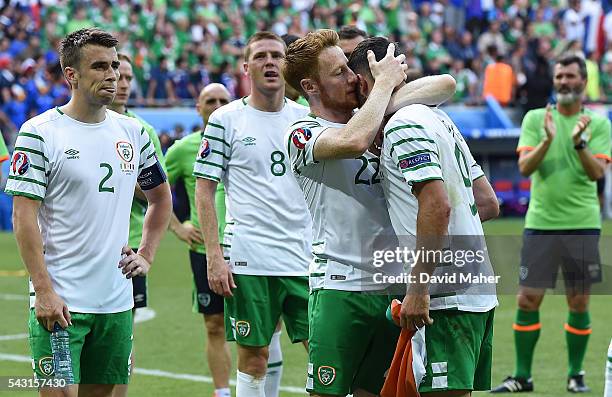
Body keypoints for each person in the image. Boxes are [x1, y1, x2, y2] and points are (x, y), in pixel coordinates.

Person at [282, 29, 456, 397]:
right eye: (339, 73)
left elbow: (445, 84)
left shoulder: (373, 115)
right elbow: (353, 142)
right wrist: (383, 89)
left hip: (394, 288)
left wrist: (385, 94)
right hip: (340, 288)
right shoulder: (302, 132)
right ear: (311, 87)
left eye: (349, 68)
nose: (353, 78)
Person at [4, 28, 171, 396]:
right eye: (99, 66)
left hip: (115, 302)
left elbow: (160, 198)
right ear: (71, 75)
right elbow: (23, 217)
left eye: (114, 65)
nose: (112, 74)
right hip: (60, 303)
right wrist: (43, 290)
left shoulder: (134, 133)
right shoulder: (40, 133)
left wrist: (146, 254)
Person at [349, 36, 499, 396]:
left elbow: (437, 206)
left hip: (442, 297)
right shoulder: (438, 117)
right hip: (475, 288)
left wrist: (418, 288)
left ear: (368, 82)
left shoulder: (403, 125)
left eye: (356, 89)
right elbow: (488, 202)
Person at [194, 31, 312, 397]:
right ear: (247, 68)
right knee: (254, 357)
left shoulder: (307, 118)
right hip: (249, 258)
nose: (270, 62)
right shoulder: (226, 120)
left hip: (304, 256)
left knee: (325, 353)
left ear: (287, 65)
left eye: (277, 56)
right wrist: (215, 256)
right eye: (260, 56)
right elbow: (205, 188)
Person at [491, 54, 611, 393]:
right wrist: (547, 139)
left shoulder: (598, 124)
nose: (563, 82)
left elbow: (597, 173)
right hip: (541, 223)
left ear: (582, 82)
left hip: (582, 224)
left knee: (579, 302)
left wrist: (578, 143)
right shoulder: (535, 118)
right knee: (528, 299)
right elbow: (526, 168)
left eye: (570, 76)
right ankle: (522, 377)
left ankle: (575, 375)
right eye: (559, 77)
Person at [165, 83, 233, 397]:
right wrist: (178, 228)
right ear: (198, 107)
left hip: (248, 245)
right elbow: (155, 194)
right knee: (215, 325)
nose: (217, 105)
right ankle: (221, 392)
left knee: (267, 327)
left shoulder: (244, 140)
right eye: (210, 101)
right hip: (204, 252)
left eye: (223, 100)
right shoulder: (183, 149)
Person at [107, 53, 167, 397]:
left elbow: (157, 194)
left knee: (121, 337)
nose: (122, 82)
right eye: (117, 73)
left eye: (127, 77)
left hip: (128, 244)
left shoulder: (142, 132)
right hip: (83, 247)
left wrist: (123, 181)